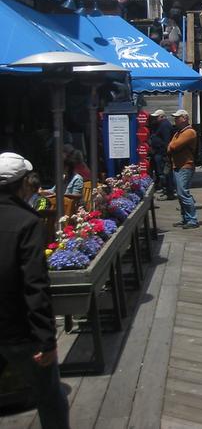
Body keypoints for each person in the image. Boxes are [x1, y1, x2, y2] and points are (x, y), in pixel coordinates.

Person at [0, 153, 70, 428]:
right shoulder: (26, 221)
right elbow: (34, 284)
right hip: (19, 330)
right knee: (50, 398)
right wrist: (46, 339)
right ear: (23, 184)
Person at [168, 109, 199, 229]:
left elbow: (173, 146)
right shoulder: (178, 133)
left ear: (185, 118)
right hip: (177, 166)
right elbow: (169, 148)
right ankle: (185, 218)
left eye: (177, 117)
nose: (175, 119)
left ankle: (192, 219)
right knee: (181, 194)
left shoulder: (189, 132)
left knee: (183, 193)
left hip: (186, 166)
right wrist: (172, 145)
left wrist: (172, 144)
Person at [149, 109, 175, 199]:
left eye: (157, 117)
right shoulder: (160, 125)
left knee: (165, 173)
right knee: (162, 173)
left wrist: (166, 154)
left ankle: (169, 192)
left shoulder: (165, 125)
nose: (155, 118)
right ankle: (166, 190)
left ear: (162, 116)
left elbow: (166, 141)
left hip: (162, 153)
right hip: (159, 153)